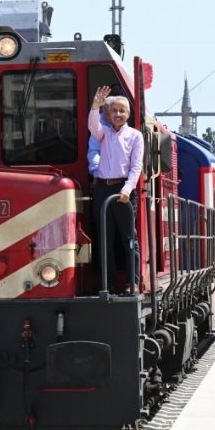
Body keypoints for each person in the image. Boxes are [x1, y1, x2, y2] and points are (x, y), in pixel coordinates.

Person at [87, 85, 143, 291]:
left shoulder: (135, 136)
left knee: (129, 237)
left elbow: (136, 166)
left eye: (122, 111)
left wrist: (127, 189)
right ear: (108, 115)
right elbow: (93, 127)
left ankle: (133, 282)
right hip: (103, 188)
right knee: (105, 237)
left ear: (128, 114)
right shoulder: (104, 134)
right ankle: (107, 283)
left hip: (123, 189)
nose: (118, 114)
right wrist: (95, 106)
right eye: (114, 111)